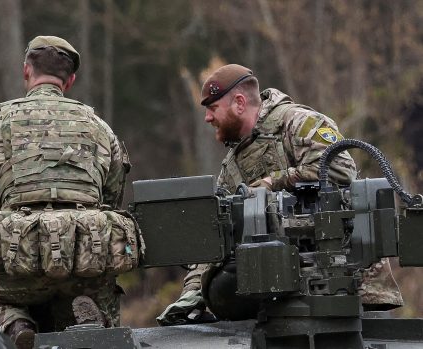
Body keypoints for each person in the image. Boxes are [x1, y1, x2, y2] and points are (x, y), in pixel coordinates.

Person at [157, 63, 403, 325]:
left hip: (345, 284)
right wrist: (192, 295)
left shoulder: (298, 123)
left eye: (212, 108)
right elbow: (215, 236)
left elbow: (340, 170)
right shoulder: (232, 168)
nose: (207, 118)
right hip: (278, 297)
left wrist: (270, 183)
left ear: (239, 103)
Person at [0, 36, 136, 349]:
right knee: (97, 289)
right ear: (71, 81)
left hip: (17, 274)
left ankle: (15, 320)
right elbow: (111, 198)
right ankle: (91, 319)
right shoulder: (100, 128)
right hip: (84, 270)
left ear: (26, 71)